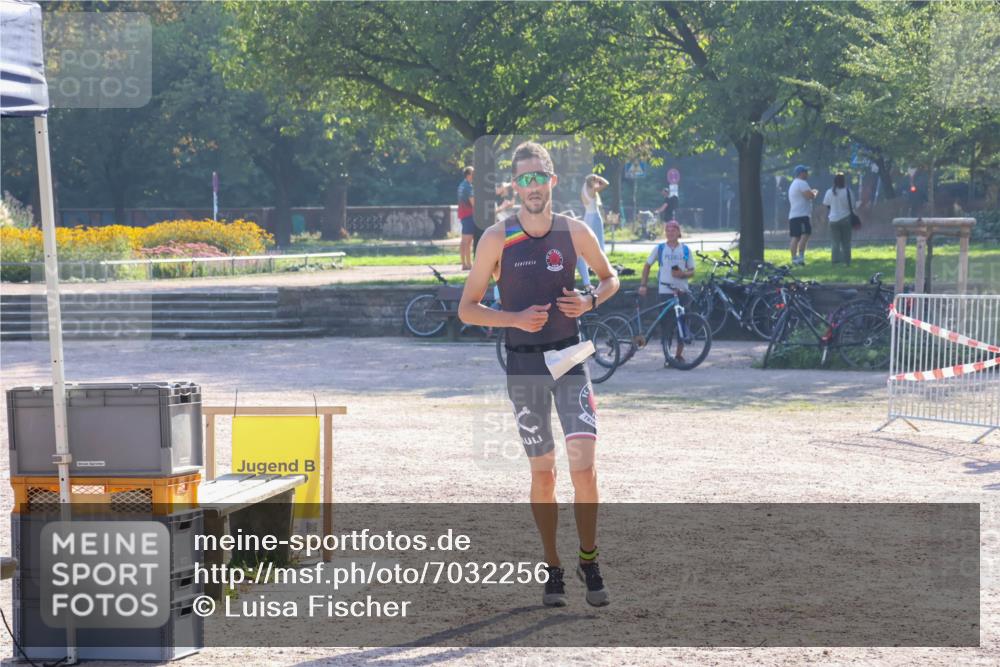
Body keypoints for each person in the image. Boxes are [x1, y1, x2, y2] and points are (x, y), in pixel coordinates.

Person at [458, 141, 619, 608]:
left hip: (570, 357)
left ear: (552, 181)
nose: (531, 186)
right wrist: (513, 318)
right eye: (522, 179)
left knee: (584, 464)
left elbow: (611, 279)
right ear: (515, 186)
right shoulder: (496, 238)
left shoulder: (573, 231)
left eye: (538, 177)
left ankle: (588, 558)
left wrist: (590, 301)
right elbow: (467, 310)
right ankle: (553, 566)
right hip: (525, 363)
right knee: (544, 473)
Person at [638, 219, 695, 366]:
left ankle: (679, 355)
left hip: (683, 291)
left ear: (678, 232)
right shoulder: (660, 249)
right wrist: (643, 284)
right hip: (665, 291)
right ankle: (668, 357)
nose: (670, 233)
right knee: (666, 325)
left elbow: (692, 270)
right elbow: (647, 265)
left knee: (682, 324)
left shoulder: (686, 250)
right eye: (668, 230)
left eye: (673, 230)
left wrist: (683, 274)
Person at [576, 173, 610, 288]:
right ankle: (604, 272)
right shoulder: (592, 189)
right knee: (600, 246)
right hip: (595, 217)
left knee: (585, 246)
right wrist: (598, 177)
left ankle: (588, 276)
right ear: (593, 182)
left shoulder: (584, 189)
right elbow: (606, 183)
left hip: (587, 216)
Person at [788, 165, 817, 265]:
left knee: (795, 236)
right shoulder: (802, 183)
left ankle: (794, 258)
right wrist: (814, 193)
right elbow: (809, 196)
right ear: (801, 173)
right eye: (805, 172)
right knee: (805, 234)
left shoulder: (794, 183)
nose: (807, 174)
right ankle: (800, 257)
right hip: (802, 215)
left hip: (794, 215)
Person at [823, 172, 854, 265]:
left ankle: (835, 261)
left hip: (833, 220)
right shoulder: (848, 191)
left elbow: (827, 205)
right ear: (844, 180)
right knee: (846, 242)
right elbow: (852, 205)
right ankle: (847, 261)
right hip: (846, 219)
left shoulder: (829, 192)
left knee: (835, 242)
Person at [458, 166, 476, 270]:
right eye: (473, 173)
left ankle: (464, 263)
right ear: (469, 175)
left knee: (464, 240)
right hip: (469, 215)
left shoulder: (462, 185)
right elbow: (473, 203)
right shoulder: (468, 187)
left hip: (463, 214)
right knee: (468, 241)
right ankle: (468, 264)